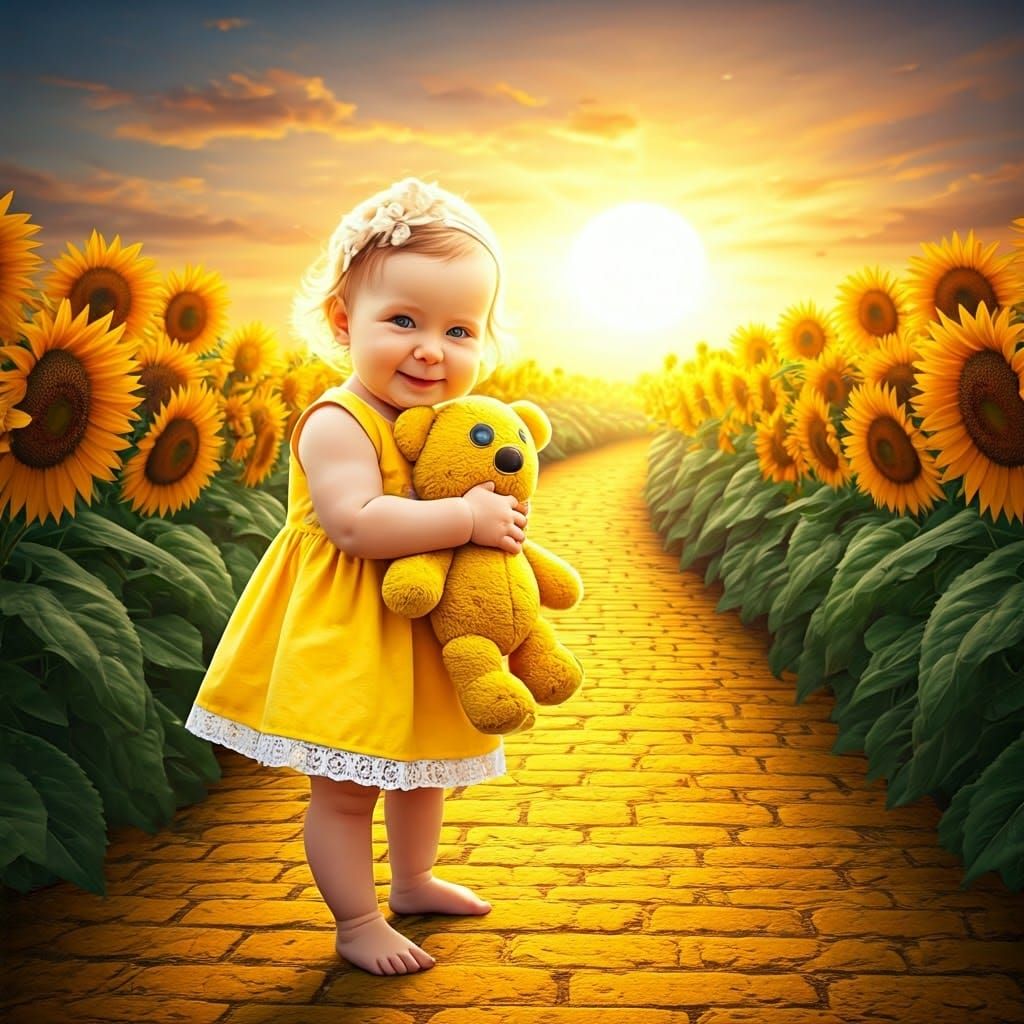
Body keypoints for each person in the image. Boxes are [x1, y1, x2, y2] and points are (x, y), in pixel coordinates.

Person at [184, 176, 528, 977]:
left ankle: (413, 881)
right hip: (346, 631)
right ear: (344, 320)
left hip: (414, 632)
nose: (430, 349)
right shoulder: (338, 420)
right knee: (346, 790)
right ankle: (357, 920)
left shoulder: (441, 427)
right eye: (402, 320)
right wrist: (466, 520)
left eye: (459, 329)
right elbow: (356, 523)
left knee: (422, 773)